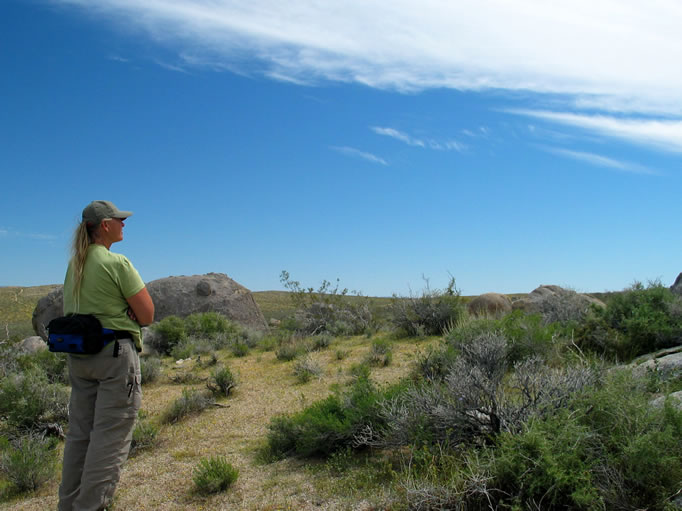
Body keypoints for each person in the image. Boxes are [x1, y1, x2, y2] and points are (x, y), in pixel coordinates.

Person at [58, 200, 154, 511]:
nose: (124, 224)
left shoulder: (77, 264)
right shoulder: (116, 263)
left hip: (81, 359)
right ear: (105, 226)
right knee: (110, 438)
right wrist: (127, 312)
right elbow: (147, 314)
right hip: (114, 356)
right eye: (119, 220)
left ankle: (69, 504)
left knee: (80, 436)